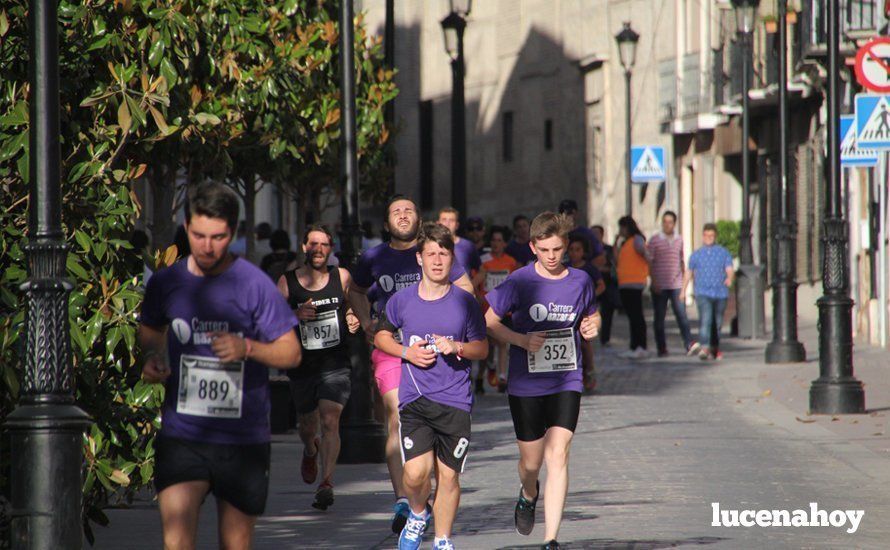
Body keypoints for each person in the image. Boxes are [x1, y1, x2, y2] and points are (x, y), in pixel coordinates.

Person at [138, 182, 302, 550]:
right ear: (185, 224)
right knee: (176, 542)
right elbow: (150, 328)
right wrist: (152, 357)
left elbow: (291, 353)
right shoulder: (167, 283)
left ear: (233, 231)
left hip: (242, 439)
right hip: (183, 433)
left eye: (218, 237)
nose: (207, 246)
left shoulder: (254, 285)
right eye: (198, 235)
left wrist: (248, 347)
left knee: (236, 544)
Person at [350, 195, 474, 533]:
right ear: (387, 221)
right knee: (395, 414)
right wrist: (366, 323)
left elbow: (465, 289)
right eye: (395, 212)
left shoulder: (435, 252)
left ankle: (423, 488)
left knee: (430, 437)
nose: (402, 216)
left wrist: (455, 325)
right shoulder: (374, 256)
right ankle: (404, 498)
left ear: (419, 218)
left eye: (409, 210)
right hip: (392, 347)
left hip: (435, 354)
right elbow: (355, 290)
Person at [485, 212, 601, 550]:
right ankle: (528, 491)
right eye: (546, 250)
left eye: (558, 249)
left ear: (566, 247)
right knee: (531, 463)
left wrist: (591, 326)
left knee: (559, 454)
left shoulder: (580, 280)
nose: (552, 257)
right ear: (533, 247)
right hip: (526, 383)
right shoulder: (519, 281)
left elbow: (591, 315)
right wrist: (521, 340)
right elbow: (489, 321)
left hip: (567, 377)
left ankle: (551, 539)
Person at [374, 222, 489, 550]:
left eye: (444, 253)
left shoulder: (465, 302)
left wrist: (458, 347)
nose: (438, 260)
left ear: (453, 259)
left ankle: (441, 539)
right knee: (414, 475)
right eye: (431, 254)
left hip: (455, 400)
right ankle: (417, 513)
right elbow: (382, 335)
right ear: (419, 259)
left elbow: (482, 347)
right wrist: (405, 351)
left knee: (449, 477)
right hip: (416, 399)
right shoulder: (402, 300)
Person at [276, 224, 359, 510]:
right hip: (302, 364)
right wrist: (295, 314)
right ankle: (310, 450)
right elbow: (272, 318)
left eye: (324, 244)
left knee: (329, 420)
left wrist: (353, 316)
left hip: (335, 362)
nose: (319, 250)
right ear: (304, 248)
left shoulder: (342, 276)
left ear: (331, 249)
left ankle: (327, 482)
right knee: (307, 425)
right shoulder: (288, 282)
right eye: (313, 244)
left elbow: (354, 303)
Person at [647, 211, 699, 357]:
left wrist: (684, 286)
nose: (667, 225)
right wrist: (654, 281)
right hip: (660, 285)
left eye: (670, 222)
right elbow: (650, 262)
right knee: (659, 318)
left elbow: (681, 261)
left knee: (682, 315)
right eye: (665, 222)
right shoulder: (655, 240)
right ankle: (662, 348)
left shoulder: (679, 239)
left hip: (676, 284)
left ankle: (689, 344)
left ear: (674, 223)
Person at [475, 225, 520, 392]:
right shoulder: (484, 260)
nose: (496, 243)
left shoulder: (510, 262)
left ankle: (502, 376)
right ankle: (481, 375)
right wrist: (479, 299)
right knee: (486, 347)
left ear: (505, 243)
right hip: (486, 310)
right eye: (493, 240)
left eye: (499, 240)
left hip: (504, 310)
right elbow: (476, 282)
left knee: (502, 343)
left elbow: (514, 284)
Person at [683, 223, 734, 361]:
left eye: (711, 235)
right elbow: (688, 273)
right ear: (702, 236)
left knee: (717, 323)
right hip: (703, 292)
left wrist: (729, 278)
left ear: (715, 236)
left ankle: (714, 348)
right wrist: (683, 290)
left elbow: (729, 268)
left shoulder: (723, 252)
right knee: (706, 320)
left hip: (720, 293)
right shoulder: (696, 255)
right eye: (706, 235)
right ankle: (705, 347)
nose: (709, 238)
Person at [567, 235, 605, 392]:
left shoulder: (589, 269)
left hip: (586, 311)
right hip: (569, 310)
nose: (575, 253)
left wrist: (590, 296)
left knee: (585, 342)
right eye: (572, 250)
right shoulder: (565, 268)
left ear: (583, 252)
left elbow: (601, 285)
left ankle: (589, 370)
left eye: (578, 250)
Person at [616, 216, 650, 359]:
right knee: (631, 316)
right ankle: (634, 345)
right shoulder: (625, 243)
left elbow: (645, 254)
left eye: (622, 227)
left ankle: (641, 346)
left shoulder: (636, 239)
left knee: (637, 316)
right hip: (625, 283)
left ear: (627, 227)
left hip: (635, 283)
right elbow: (616, 259)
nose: (620, 231)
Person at [591, 225, 621, 347]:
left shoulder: (608, 249)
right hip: (593, 284)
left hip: (607, 285)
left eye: (596, 233)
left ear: (602, 234)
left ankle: (605, 338)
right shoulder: (588, 250)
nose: (594, 236)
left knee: (607, 313)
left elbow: (615, 264)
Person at [557, 199, 605, 269]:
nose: (567, 216)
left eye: (570, 213)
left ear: (576, 213)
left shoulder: (587, 234)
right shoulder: (556, 234)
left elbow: (600, 256)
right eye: (563, 213)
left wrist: (586, 269)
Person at [438, 207, 482, 277]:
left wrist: (470, 286)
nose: (447, 224)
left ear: (457, 225)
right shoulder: (431, 245)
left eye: (451, 220)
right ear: (438, 223)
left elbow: (482, 271)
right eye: (444, 220)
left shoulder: (467, 246)